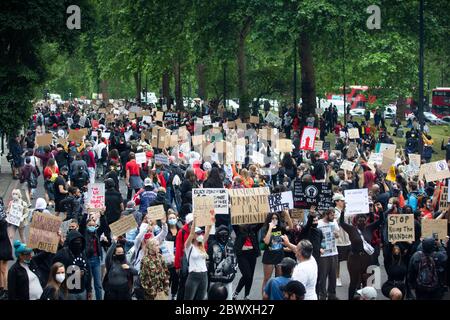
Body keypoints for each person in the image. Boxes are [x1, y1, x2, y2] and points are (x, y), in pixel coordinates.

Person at [339, 210, 383, 300]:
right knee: (354, 282)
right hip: (354, 259)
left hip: (367, 259)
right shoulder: (352, 229)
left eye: (363, 218)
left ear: (366, 220)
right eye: (359, 218)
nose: (361, 220)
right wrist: (343, 211)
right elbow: (342, 223)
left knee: (366, 281)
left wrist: (380, 211)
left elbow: (381, 220)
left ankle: (364, 298)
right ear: (356, 220)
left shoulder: (369, 228)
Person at [52, 231, 93, 300]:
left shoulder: (82, 254)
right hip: (68, 293)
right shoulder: (62, 255)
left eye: (80, 241)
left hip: (82, 291)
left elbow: (88, 272)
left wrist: (89, 290)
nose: (78, 244)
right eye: (75, 241)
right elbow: (56, 276)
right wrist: (74, 276)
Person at [261, 210, 293, 297]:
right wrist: (270, 227)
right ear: (269, 220)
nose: (274, 220)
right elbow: (266, 242)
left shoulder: (280, 227)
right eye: (272, 218)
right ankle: (264, 298)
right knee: (267, 279)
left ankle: (278, 296)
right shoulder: (265, 229)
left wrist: (286, 214)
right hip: (269, 258)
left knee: (279, 279)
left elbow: (291, 227)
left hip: (279, 256)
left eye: (276, 218)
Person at [183, 212, 214, 300]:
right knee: (189, 298)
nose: (200, 235)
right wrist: (195, 220)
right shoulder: (188, 246)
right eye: (198, 233)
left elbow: (208, 230)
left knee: (201, 298)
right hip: (193, 275)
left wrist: (210, 218)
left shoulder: (202, 245)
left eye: (201, 233)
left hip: (204, 275)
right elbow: (192, 233)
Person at [232, 223, 262, 300]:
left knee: (250, 276)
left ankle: (246, 295)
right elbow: (232, 220)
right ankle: (236, 293)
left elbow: (261, 223)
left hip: (252, 254)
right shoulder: (238, 229)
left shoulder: (253, 229)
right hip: (242, 254)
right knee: (247, 275)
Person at [207, 225, 237, 300]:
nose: (223, 236)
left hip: (228, 277)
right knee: (213, 297)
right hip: (214, 277)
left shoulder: (231, 244)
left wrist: (234, 270)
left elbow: (235, 258)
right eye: (221, 234)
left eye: (225, 234)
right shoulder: (212, 245)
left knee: (228, 297)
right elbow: (208, 260)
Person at [317, 208, 340, 300]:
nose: (333, 217)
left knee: (333, 276)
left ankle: (332, 295)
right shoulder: (318, 223)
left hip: (334, 252)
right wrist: (319, 248)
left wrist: (337, 234)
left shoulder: (334, 222)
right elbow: (315, 238)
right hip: (323, 254)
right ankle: (322, 295)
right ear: (326, 214)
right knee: (323, 276)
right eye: (331, 215)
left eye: (334, 215)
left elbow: (338, 234)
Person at [174, 213, 194, 300]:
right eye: (191, 223)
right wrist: (177, 266)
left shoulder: (198, 231)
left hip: (195, 262)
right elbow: (178, 250)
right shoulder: (181, 232)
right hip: (185, 263)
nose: (192, 225)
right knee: (183, 284)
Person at [0, 197, 13, 300]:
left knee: (3, 269)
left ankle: (6, 290)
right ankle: (2, 288)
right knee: (2, 269)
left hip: (3, 247)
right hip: (5, 245)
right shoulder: (3, 218)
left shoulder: (2, 221)